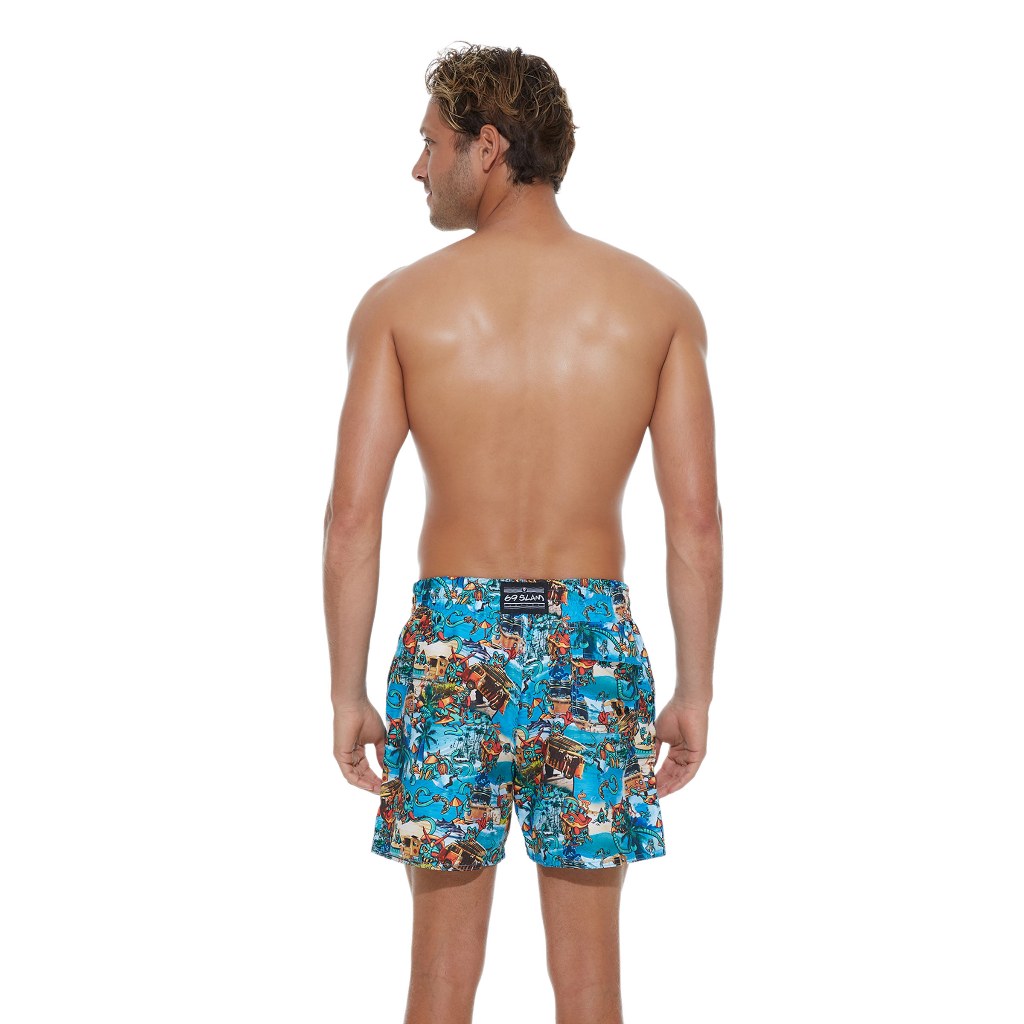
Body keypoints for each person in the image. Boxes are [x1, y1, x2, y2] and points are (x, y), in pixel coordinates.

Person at [323, 42, 722, 1024]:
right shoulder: (657, 306)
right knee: (589, 985)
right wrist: (694, 690)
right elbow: (695, 523)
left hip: (452, 646)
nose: (417, 166)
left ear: (488, 146)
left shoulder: (399, 306)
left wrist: (345, 691)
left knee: (438, 981)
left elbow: (352, 519)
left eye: (431, 143)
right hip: (592, 647)